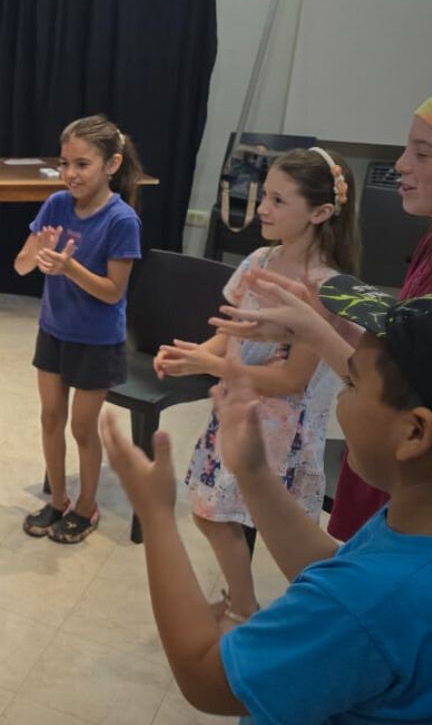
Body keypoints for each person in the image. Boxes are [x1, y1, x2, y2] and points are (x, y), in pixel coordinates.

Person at [99, 279, 432, 723]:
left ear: (415, 432)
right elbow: (336, 566)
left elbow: (204, 677)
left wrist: (156, 515)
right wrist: (254, 473)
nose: (339, 394)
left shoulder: (368, 605)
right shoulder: (412, 538)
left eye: (350, 382)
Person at [210, 96, 432, 541]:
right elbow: (393, 361)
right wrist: (315, 324)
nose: (400, 164)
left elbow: (398, 383)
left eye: (422, 153)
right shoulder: (426, 245)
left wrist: (310, 329)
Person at [158, 148, 358, 625]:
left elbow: (292, 380)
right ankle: (241, 603)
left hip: (279, 432)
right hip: (238, 408)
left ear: (320, 212)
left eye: (278, 200)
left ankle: (272, 612)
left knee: (256, 523)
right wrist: (195, 354)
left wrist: (214, 364)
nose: (262, 208)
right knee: (215, 512)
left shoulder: (324, 286)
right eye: (264, 195)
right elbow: (230, 332)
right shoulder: (259, 259)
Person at [14, 114, 143, 544]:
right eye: (65, 163)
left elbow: (112, 291)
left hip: (97, 340)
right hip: (53, 330)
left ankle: (87, 506)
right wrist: (38, 252)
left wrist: (69, 268)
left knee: (83, 428)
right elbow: (21, 266)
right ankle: (58, 500)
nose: (70, 173)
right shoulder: (55, 204)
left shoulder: (122, 220)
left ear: (112, 164)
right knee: (51, 417)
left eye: (82, 164)